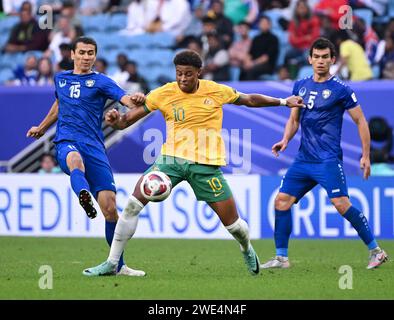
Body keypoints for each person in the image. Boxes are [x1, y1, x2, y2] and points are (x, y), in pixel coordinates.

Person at [82, 49, 305, 277]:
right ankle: (113, 263)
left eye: (188, 74)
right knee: (131, 205)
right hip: (170, 162)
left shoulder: (216, 91)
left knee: (234, 226)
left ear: (199, 72)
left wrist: (283, 101)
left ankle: (246, 248)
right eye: (179, 73)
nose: (182, 79)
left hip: (205, 166)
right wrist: (115, 120)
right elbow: (126, 120)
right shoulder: (164, 93)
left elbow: (249, 100)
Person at [261, 38, 388, 270]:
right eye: (316, 57)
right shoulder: (300, 85)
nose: (320, 61)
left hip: (327, 159)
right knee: (281, 201)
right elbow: (294, 119)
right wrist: (285, 140)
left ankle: (376, 251)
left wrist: (366, 155)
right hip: (303, 159)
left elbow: (361, 121)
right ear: (310, 59)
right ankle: (281, 258)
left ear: (332, 60)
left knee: (341, 203)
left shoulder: (341, 90)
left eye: (325, 57)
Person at [26, 36, 146, 277]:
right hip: (67, 141)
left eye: (90, 53)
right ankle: (83, 194)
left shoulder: (101, 82)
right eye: (81, 52)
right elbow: (59, 105)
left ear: (94, 56)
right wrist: (42, 126)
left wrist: (138, 99)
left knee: (111, 208)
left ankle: (118, 265)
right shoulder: (60, 78)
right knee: (74, 161)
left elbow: (124, 98)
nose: (86, 57)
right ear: (72, 54)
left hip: (95, 147)